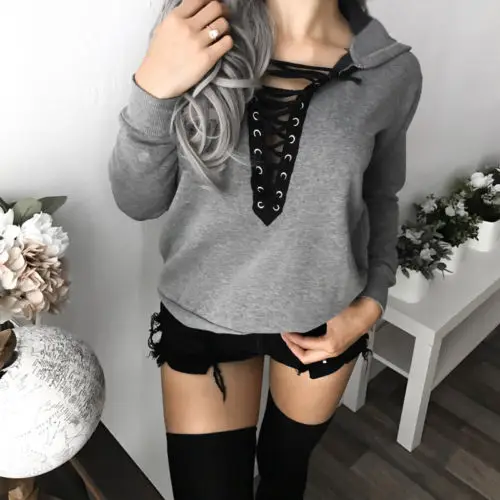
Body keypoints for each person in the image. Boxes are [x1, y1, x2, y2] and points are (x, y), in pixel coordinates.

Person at [108, 0, 422, 498]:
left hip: (322, 322)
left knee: (283, 475)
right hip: (203, 317)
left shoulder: (391, 70)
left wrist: (373, 300)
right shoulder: (195, 29)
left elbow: (381, 195)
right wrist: (152, 87)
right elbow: (138, 201)